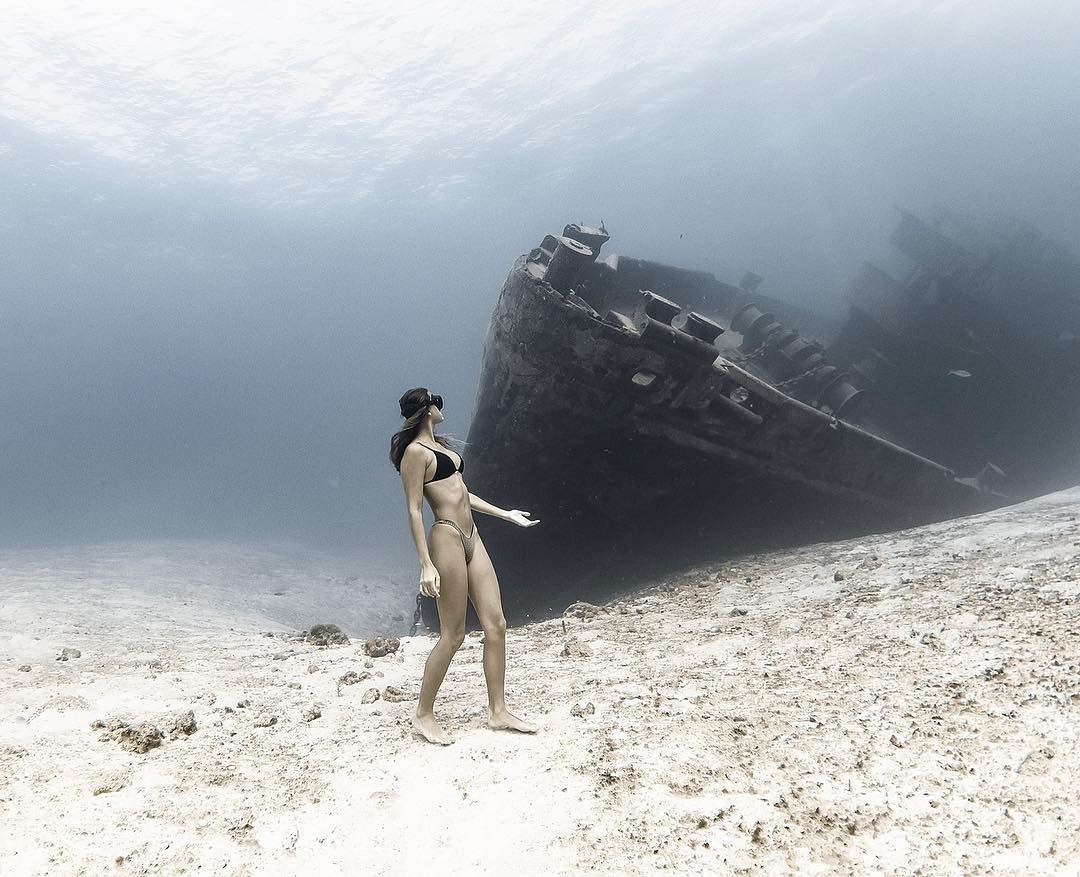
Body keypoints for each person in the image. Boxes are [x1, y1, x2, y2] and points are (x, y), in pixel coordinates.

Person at [390, 387, 540, 745]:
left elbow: (462, 494)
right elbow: (413, 509)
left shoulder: (442, 448)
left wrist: (506, 514)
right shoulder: (415, 453)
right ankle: (423, 714)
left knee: (497, 624)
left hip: (473, 536)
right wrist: (425, 564)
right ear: (426, 409)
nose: (442, 407)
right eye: (436, 402)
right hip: (446, 538)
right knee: (453, 634)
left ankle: (498, 711)